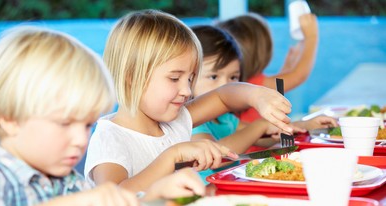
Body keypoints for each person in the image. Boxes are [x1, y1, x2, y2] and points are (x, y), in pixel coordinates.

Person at [0, 26, 205, 206]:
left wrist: (155, 200)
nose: (80, 140)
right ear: (10, 119)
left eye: (86, 125)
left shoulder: (68, 183)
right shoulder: (2, 178)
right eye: (65, 123)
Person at [84, 9, 293, 192]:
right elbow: (114, 197)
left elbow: (224, 97)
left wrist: (257, 96)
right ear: (131, 77)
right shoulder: (110, 138)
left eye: (191, 78)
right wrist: (172, 156)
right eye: (174, 78)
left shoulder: (175, 121)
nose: (186, 90)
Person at [190, 25, 337, 183]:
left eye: (233, 77)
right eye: (213, 77)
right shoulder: (191, 122)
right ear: (188, 76)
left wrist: (301, 126)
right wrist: (261, 125)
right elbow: (220, 155)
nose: (225, 85)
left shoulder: (225, 118)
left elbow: (259, 138)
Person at [217, 12, 319, 123]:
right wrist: (311, 37)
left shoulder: (239, 84)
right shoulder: (253, 85)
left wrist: (288, 67)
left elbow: (278, 86)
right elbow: (299, 76)